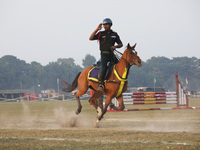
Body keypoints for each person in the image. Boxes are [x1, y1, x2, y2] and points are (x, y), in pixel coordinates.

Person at [89, 18, 123, 91]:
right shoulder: (101, 34)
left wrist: (115, 46)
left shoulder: (114, 34)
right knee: (104, 68)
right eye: (104, 25)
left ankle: (120, 81)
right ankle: (100, 84)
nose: (105, 26)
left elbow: (121, 44)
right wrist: (97, 29)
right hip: (104, 54)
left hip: (112, 54)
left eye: (107, 24)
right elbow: (90, 38)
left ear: (110, 25)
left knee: (120, 65)